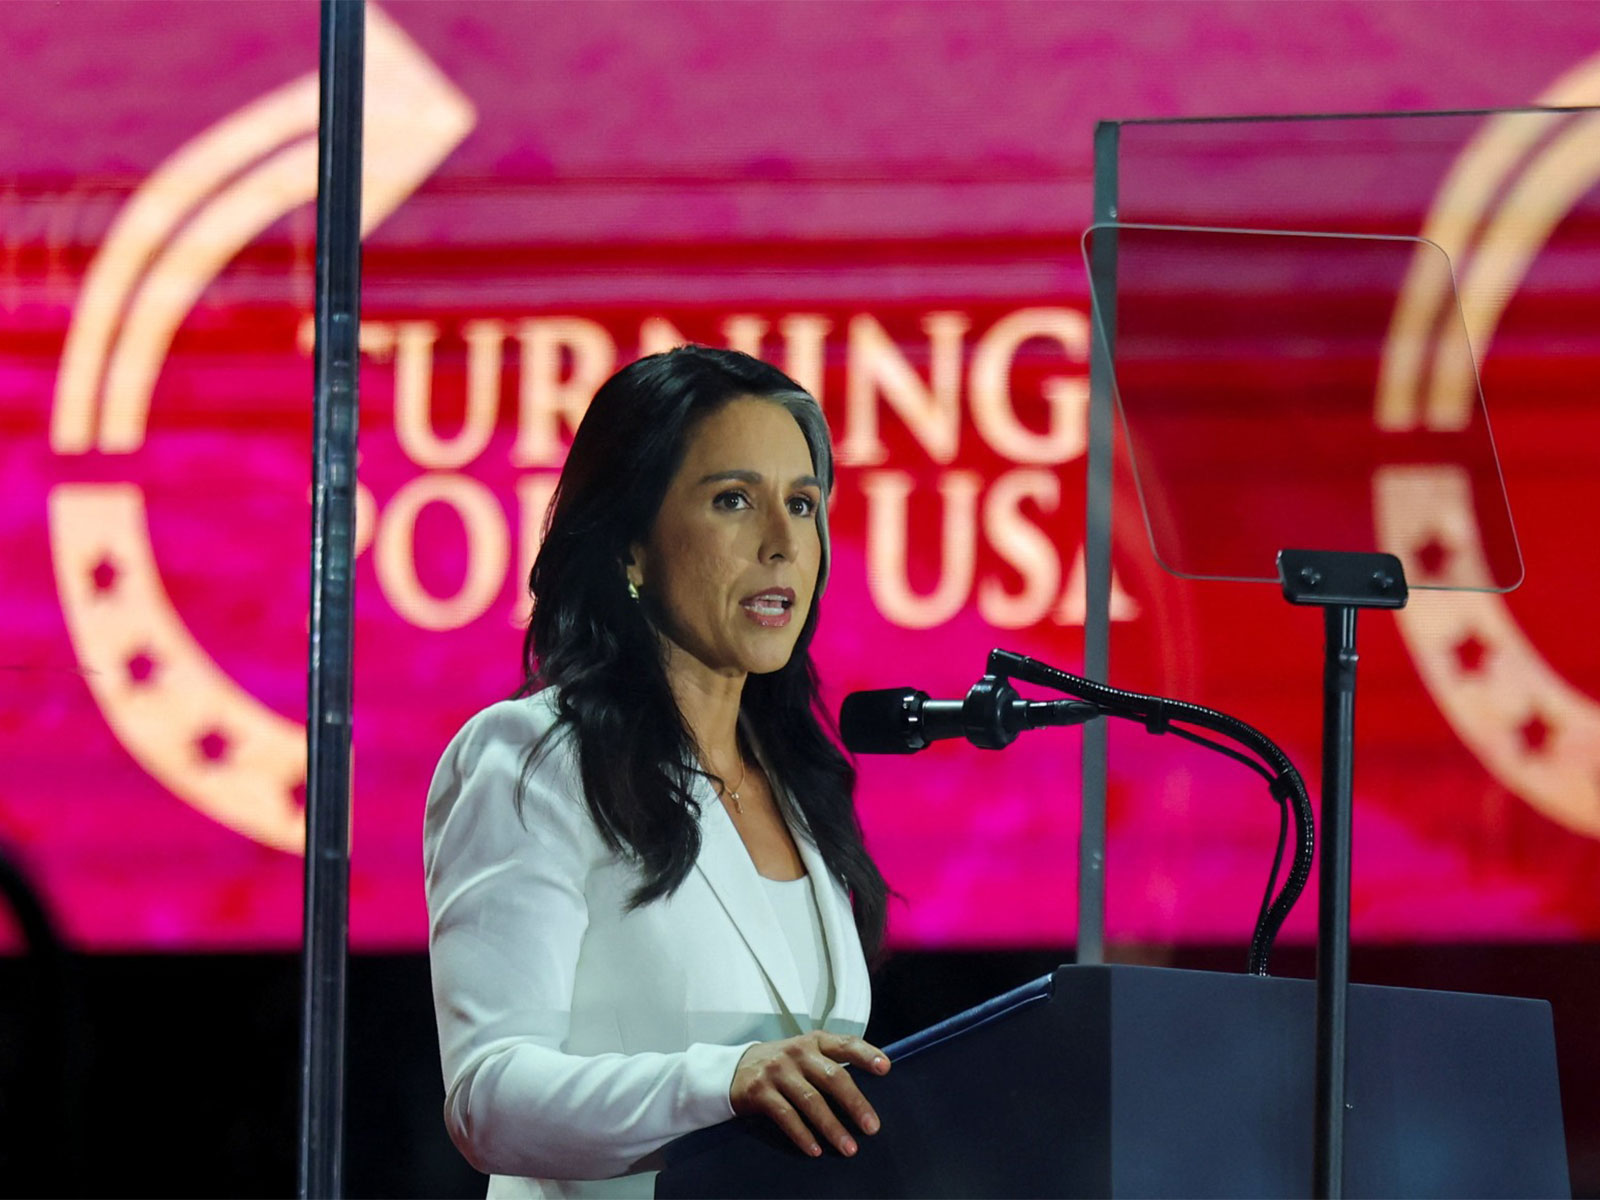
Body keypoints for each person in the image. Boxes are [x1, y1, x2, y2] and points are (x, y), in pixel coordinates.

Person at [424, 346, 892, 1198]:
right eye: (734, 500)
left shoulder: (799, 782)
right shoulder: (533, 759)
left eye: (802, 503)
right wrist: (720, 1082)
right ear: (631, 547)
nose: (783, 543)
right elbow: (488, 1098)